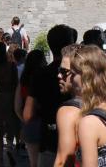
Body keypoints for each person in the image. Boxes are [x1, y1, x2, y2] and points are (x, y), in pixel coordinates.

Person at [27, 24, 77, 167]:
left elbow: (27, 113)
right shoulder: (79, 75)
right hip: (75, 143)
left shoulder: (40, 75)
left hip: (49, 140)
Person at [55, 44, 84, 167]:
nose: (59, 75)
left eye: (64, 71)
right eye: (59, 70)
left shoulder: (68, 112)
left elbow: (63, 161)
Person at [17, 49, 46, 167]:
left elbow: (17, 107)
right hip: (45, 122)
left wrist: (25, 121)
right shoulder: (45, 78)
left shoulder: (23, 81)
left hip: (30, 123)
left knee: (34, 163)